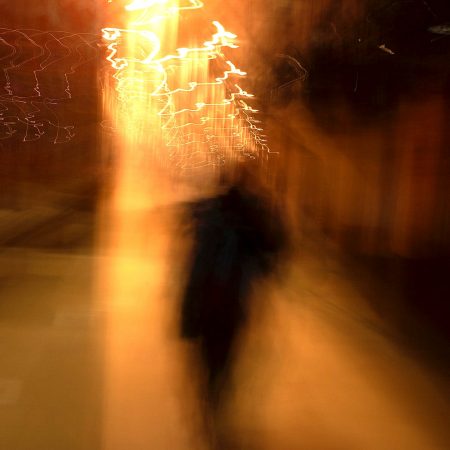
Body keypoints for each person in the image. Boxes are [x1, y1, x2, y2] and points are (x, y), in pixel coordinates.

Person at [180, 166, 286, 411]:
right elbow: (269, 255)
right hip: (235, 298)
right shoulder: (253, 216)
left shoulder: (212, 212)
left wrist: (186, 314)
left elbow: (197, 262)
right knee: (226, 346)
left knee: (207, 347)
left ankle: (209, 387)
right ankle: (216, 386)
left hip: (209, 294)